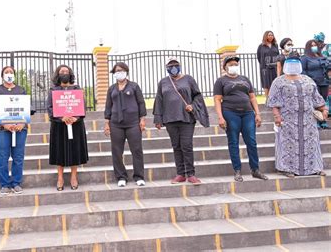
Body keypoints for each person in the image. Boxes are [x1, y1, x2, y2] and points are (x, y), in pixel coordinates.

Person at [153, 57, 209, 185]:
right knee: (176, 146)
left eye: (175, 64)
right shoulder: (163, 82)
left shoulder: (189, 79)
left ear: (179, 66)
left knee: (186, 146)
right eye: (170, 65)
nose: (173, 67)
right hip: (170, 119)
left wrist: (193, 106)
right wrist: (158, 119)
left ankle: (191, 174)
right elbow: (159, 100)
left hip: (186, 118)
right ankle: (180, 174)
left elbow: (198, 96)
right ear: (166, 68)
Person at [268, 56, 327, 177]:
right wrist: (277, 116)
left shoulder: (308, 80)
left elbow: (316, 98)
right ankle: (287, 169)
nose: (293, 66)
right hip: (288, 120)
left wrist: (324, 110)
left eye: (296, 63)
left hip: (308, 120)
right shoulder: (278, 82)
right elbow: (274, 102)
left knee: (311, 143)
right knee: (287, 144)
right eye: (290, 63)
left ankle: (314, 168)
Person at [213, 56, 268, 182]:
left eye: (235, 64)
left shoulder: (245, 79)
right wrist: (220, 117)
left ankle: (255, 169)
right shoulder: (221, 81)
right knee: (233, 142)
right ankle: (237, 170)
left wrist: (257, 113)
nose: (234, 66)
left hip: (248, 113)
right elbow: (217, 99)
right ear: (225, 67)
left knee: (252, 142)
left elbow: (253, 97)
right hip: (230, 113)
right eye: (231, 64)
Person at [0, 66, 28, 195]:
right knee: (2, 156)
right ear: (2, 75)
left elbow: (27, 109)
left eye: (11, 72)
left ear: (14, 74)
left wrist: (21, 122)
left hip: (20, 128)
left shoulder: (21, 90)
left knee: (18, 156)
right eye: (6, 72)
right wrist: (5, 124)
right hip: (1, 129)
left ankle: (16, 183)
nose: (9, 74)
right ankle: (4, 184)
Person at [104, 62, 147, 187]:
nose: (119, 72)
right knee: (117, 151)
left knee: (137, 150)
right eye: (117, 70)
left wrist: (142, 119)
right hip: (116, 124)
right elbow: (108, 107)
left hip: (133, 123)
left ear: (126, 71)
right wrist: (107, 123)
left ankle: (139, 176)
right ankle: (121, 177)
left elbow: (141, 103)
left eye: (122, 70)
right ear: (114, 73)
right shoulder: (111, 89)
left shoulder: (134, 86)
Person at [47, 65, 88, 191]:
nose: (64, 73)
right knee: (59, 150)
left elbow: (82, 106)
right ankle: (60, 177)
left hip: (76, 125)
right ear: (57, 75)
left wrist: (76, 117)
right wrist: (61, 118)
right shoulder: (53, 90)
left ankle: (74, 176)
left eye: (66, 71)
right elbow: (50, 108)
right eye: (61, 72)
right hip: (59, 126)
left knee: (75, 149)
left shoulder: (77, 89)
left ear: (70, 73)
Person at [301, 39, 331, 129]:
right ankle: (316, 121)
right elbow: (303, 71)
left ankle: (323, 121)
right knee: (314, 102)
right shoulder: (305, 58)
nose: (314, 47)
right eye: (312, 45)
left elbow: (328, 69)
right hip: (313, 82)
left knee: (323, 101)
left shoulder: (322, 57)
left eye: (315, 45)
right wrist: (308, 81)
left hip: (324, 82)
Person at [257, 31, 280, 97]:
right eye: (269, 35)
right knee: (266, 84)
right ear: (265, 36)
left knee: (275, 83)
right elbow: (259, 57)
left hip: (275, 68)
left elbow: (277, 55)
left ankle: (275, 99)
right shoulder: (261, 46)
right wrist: (263, 66)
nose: (271, 36)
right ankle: (267, 100)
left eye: (272, 35)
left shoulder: (275, 45)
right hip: (265, 68)